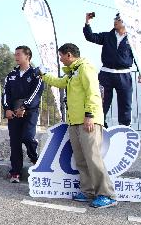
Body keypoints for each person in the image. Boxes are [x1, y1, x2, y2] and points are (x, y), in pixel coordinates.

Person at [40, 43, 118, 209]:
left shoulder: (85, 68)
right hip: (74, 121)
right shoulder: (72, 73)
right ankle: (88, 191)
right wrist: (43, 75)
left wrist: (89, 115)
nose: (60, 59)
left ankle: (107, 194)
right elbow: (60, 82)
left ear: (69, 55)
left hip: (87, 120)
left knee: (93, 158)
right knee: (81, 159)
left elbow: (93, 92)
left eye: (61, 56)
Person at [83, 12, 134, 127]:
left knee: (125, 103)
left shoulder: (132, 39)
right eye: (115, 18)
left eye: (119, 19)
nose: (115, 21)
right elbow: (90, 37)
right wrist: (87, 22)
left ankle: (125, 128)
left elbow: (139, 56)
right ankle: (100, 125)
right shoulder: (107, 36)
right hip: (106, 74)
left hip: (124, 74)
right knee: (101, 102)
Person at [1, 46, 43, 183]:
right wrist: (7, 109)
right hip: (13, 111)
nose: (16, 56)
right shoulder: (11, 75)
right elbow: (5, 93)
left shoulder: (36, 74)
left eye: (19, 54)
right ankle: (15, 172)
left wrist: (24, 107)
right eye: (15, 54)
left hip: (30, 111)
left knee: (27, 137)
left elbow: (36, 93)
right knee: (15, 142)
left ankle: (34, 156)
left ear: (27, 56)